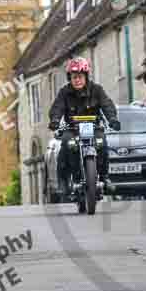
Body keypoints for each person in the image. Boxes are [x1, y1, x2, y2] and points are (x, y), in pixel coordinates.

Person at [48, 58, 120, 195]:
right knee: (65, 145)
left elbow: (107, 105)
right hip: (72, 129)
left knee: (102, 143)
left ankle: (105, 177)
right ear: (70, 78)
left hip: (94, 128)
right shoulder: (64, 92)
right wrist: (55, 120)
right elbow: (57, 107)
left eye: (80, 77)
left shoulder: (97, 90)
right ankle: (63, 182)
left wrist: (112, 119)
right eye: (74, 77)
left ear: (86, 77)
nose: (77, 80)